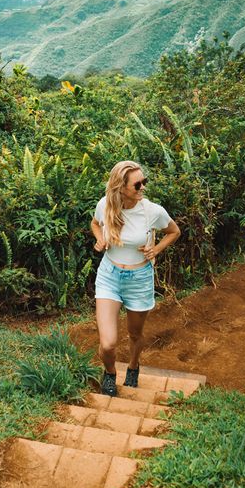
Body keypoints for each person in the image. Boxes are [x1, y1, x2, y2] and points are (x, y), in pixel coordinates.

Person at [90, 160, 181, 397]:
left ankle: (133, 365)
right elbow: (95, 223)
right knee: (108, 343)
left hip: (139, 278)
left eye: (144, 182)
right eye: (137, 184)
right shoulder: (106, 205)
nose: (143, 188)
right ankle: (110, 372)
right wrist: (100, 238)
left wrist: (156, 249)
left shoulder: (152, 211)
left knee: (135, 334)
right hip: (109, 276)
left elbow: (174, 231)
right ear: (120, 187)